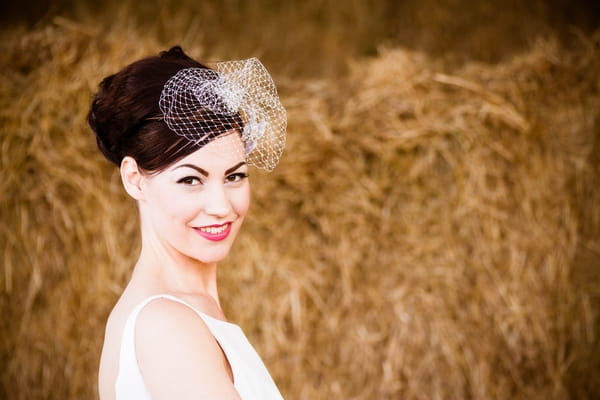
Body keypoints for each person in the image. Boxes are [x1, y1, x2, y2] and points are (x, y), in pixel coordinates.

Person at [88, 46, 287, 400]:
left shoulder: (188, 312)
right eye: (190, 180)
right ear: (134, 179)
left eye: (234, 176)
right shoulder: (165, 326)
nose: (221, 206)